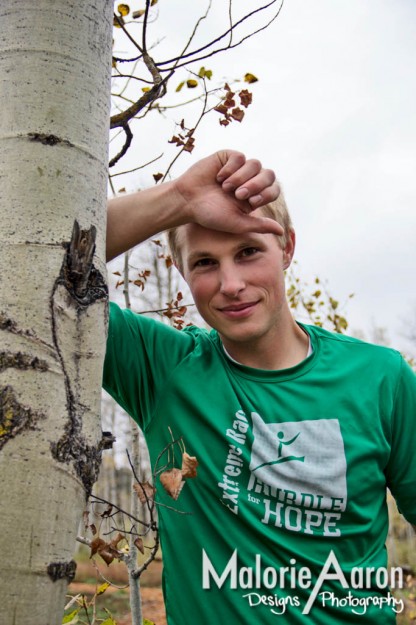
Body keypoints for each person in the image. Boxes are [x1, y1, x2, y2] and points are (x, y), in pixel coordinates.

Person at [103, 150, 416, 624]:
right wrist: (180, 198)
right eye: (205, 262)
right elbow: (32, 253)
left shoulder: (380, 377)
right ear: (182, 272)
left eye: (249, 252)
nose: (231, 284)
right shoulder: (163, 370)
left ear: (287, 248)